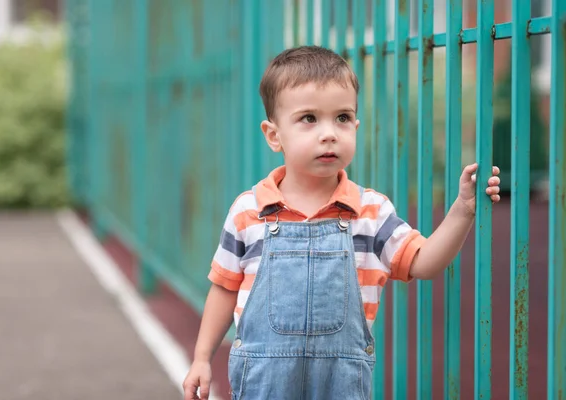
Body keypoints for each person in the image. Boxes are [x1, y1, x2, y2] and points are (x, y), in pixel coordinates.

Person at [183, 45, 501, 400]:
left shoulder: (370, 212)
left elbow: (422, 262)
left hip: (341, 384)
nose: (329, 133)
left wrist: (461, 210)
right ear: (274, 136)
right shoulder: (249, 210)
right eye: (309, 119)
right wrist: (201, 357)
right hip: (264, 383)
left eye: (342, 118)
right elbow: (225, 287)